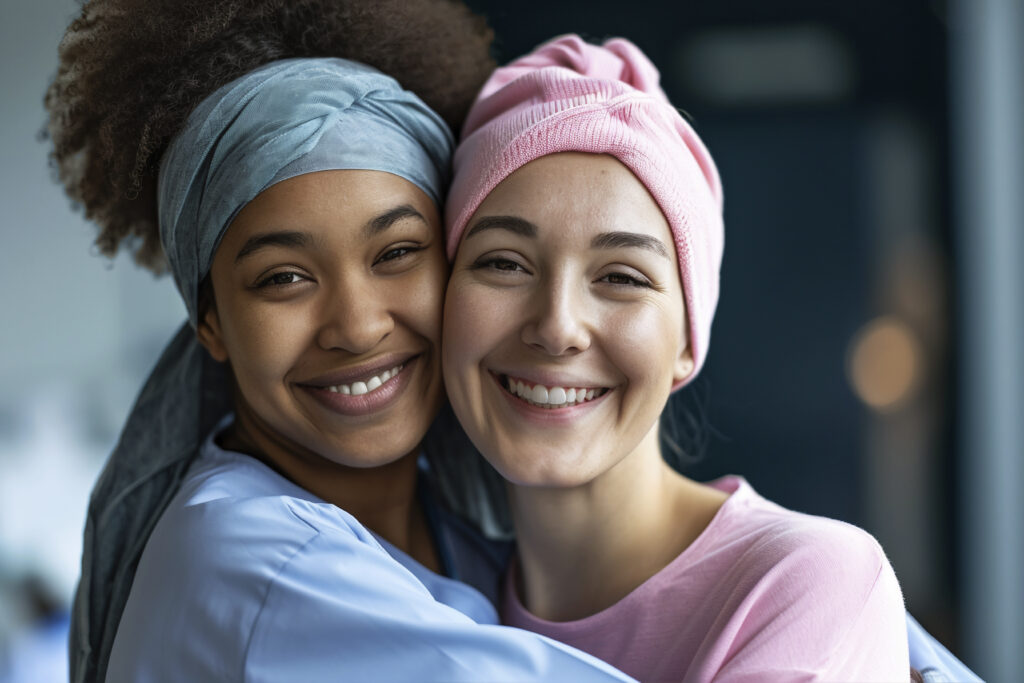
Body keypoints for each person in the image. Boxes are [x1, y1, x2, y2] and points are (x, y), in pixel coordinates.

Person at [45, 3, 633, 681]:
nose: (357, 326)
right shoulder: (259, 566)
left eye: (397, 252)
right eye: (284, 277)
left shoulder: (461, 522)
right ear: (211, 322)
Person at [442, 34, 915, 681]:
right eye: (503, 262)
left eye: (621, 277)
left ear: (689, 338)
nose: (557, 326)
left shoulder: (803, 582)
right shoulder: (427, 594)